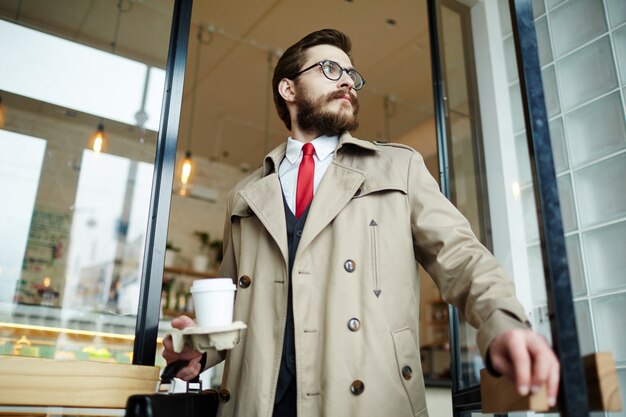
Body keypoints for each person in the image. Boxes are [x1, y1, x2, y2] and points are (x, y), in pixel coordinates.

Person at [163, 28, 560, 417]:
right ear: (288, 89)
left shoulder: (398, 167)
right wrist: (199, 348)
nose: (348, 83)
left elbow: (461, 257)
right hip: (259, 404)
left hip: (363, 401)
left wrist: (503, 322)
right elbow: (234, 307)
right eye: (330, 70)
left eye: (351, 75)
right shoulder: (244, 196)